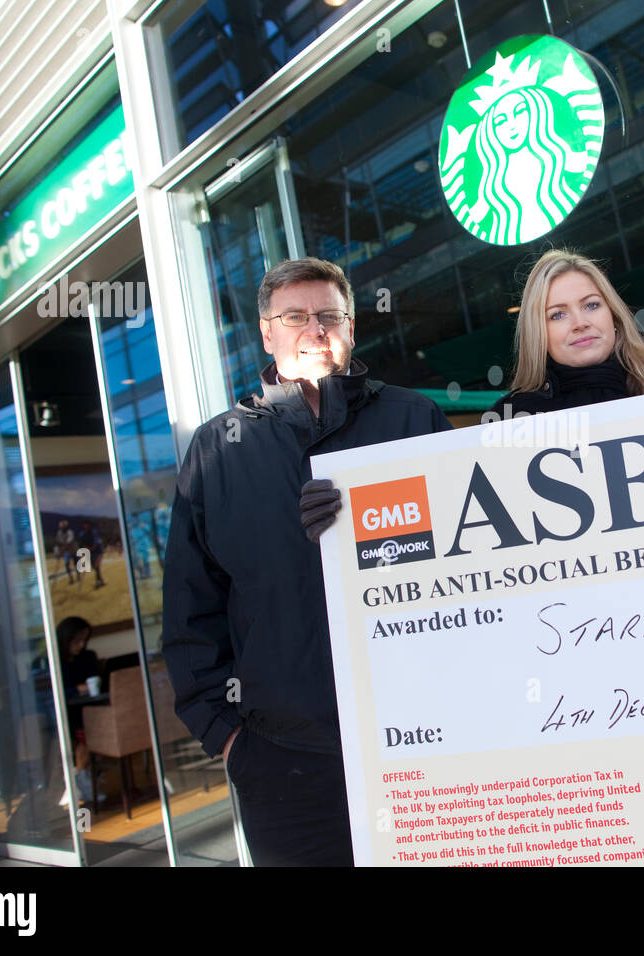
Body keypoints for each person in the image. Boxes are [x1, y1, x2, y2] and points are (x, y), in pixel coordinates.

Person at [162, 257, 452, 866]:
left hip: (422, 739)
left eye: (329, 316)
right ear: (267, 334)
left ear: (350, 329)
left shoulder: (412, 419)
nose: (314, 330)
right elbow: (191, 607)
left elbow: (462, 558)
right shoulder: (218, 450)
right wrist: (229, 738)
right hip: (284, 762)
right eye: (294, 317)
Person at [487, 248, 644, 420]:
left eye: (591, 305)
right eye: (558, 314)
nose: (580, 323)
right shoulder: (509, 419)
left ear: (613, 317)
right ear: (540, 335)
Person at [56, 616, 102, 806]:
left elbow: (95, 683)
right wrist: (76, 689)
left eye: (84, 640)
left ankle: (79, 779)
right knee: (82, 730)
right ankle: (80, 779)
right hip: (61, 713)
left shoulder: (88, 657)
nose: (81, 645)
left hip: (88, 710)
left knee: (90, 726)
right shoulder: (52, 661)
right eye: (77, 641)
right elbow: (52, 692)